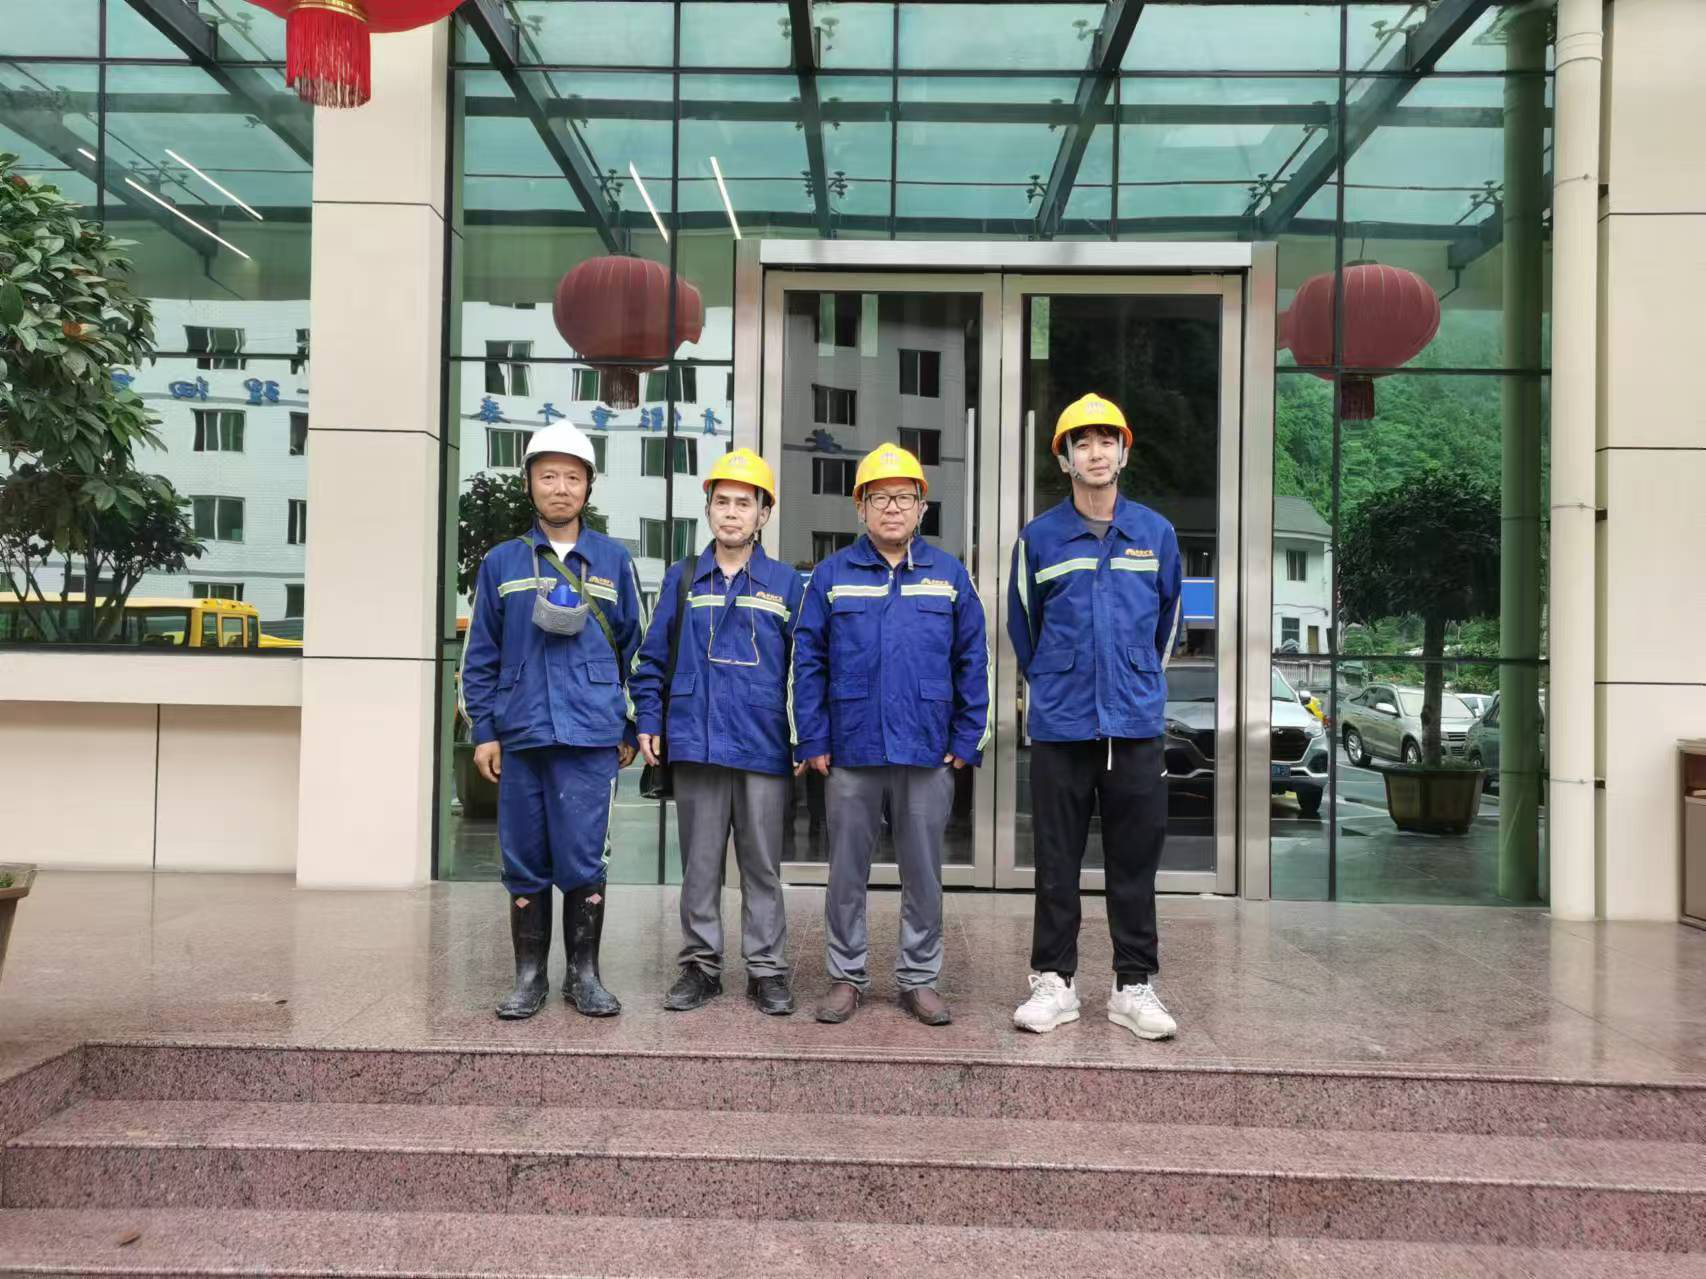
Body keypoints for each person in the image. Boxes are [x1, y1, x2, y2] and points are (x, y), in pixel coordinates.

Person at [791, 442, 990, 1027]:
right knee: (845, 874)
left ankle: (919, 978)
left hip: (927, 749)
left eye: (904, 497)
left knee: (923, 874)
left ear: (922, 507)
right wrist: (812, 738)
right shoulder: (831, 576)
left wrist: (967, 738)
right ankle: (845, 976)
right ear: (861, 508)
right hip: (851, 749)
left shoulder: (949, 575)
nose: (893, 508)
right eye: (879, 498)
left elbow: (973, 660)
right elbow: (807, 661)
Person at [1007, 393, 1183, 1041]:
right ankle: (1054, 980)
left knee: (1134, 863)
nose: (1096, 452)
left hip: (1134, 724)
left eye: (1107, 440)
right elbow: (1023, 626)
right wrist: (1058, 682)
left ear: (1124, 452)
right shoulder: (1039, 538)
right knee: (1056, 861)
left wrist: (1134, 679)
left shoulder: (1155, 535)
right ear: (1065, 460)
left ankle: (1133, 984)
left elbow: (1167, 625)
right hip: (1062, 726)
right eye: (1081, 443)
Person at [459, 422, 643, 1021]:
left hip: (591, 736)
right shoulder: (501, 562)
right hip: (522, 734)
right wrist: (484, 732)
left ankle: (584, 975)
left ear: (588, 486)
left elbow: (638, 651)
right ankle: (530, 976)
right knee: (524, 857)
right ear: (529, 484)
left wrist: (630, 724)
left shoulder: (614, 560)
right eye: (548, 476)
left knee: (585, 857)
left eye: (572, 477)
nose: (560, 488)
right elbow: (479, 655)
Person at [631, 448, 805, 1016]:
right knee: (700, 866)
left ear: (763, 514)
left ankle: (767, 970)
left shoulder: (786, 584)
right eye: (722, 502)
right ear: (708, 510)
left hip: (763, 743)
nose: (732, 513)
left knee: (762, 868)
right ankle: (701, 966)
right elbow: (652, 659)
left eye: (744, 504)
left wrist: (805, 736)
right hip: (697, 742)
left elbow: (806, 669)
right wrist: (650, 720)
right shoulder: (683, 578)